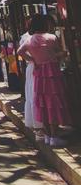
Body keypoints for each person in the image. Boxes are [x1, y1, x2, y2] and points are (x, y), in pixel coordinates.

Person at [17, 13, 71, 148]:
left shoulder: (29, 41)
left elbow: (19, 52)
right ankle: (54, 135)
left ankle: (47, 135)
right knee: (54, 102)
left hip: (39, 73)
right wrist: (62, 54)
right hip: (52, 73)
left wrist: (33, 59)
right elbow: (58, 53)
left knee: (43, 103)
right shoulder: (52, 37)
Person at [19, 20, 43, 137]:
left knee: (33, 94)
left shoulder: (26, 38)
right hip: (35, 67)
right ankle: (39, 125)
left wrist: (31, 60)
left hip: (33, 66)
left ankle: (39, 126)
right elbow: (20, 52)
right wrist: (33, 60)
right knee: (35, 94)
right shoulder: (28, 38)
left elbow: (20, 52)